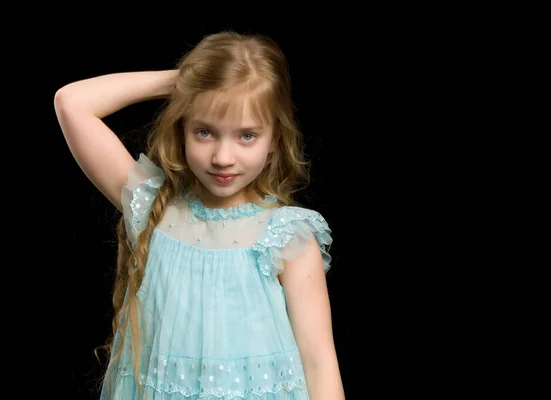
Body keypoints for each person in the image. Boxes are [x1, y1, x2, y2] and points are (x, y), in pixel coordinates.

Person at [54, 31, 344, 399]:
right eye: (205, 132)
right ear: (182, 128)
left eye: (247, 136)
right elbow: (71, 102)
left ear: (275, 136)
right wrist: (189, 80)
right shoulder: (155, 207)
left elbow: (319, 362)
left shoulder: (287, 235)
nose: (223, 157)